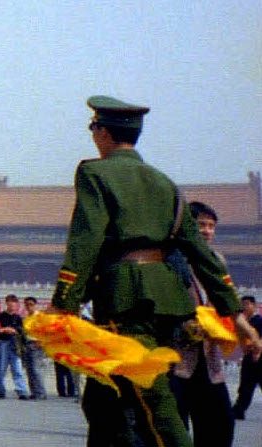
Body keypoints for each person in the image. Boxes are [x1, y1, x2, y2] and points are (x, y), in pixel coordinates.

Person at [50, 95, 262, 447]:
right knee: (103, 397)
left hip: (126, 299)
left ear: (102, 132)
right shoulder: (163, 181)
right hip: (169, 301)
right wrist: (235, 315)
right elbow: (201, 254)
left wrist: (64, 303)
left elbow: (84, 241)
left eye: (94, 128)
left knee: (154, 401)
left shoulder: (94, 173)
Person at [169, 201, 235, 446]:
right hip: (176, 358)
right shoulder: (169, 260)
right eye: (201, 225)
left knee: (221, 423)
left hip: (209, 359)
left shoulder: (217, 260)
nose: (207, 231)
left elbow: (227, 301)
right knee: (176, 428)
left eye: (211, 226)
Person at [231, 295, 262, 420]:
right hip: (249, 358)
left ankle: (238, 409)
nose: (244, 306)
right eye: (243, 304)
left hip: (259, 358)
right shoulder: (244, 323)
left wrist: (258, 352)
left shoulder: (259, 321)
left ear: (254, 306)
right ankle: (239, 410)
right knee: (245, 386)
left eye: (247, 304)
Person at [0, 294, 30, 399]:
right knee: (1, 368)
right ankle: (0, 390)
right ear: (6, 303)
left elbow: (22, 331)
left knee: (17, 369)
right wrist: (4, 329)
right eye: (9, 302)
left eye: (14, 302)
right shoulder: (0, 316)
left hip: (15, 345)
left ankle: (22, 391)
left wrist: (14, 330)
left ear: (16, 305)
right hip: (3, 343)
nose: (11, 304)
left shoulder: (18, 317)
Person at [21, 296, 47, 400]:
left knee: (36, 370)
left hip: (37, 344)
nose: (28, 307)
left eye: (31, 304)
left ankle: (41, 392)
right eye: (26, 305)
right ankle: (34, 392)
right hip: (28, 344)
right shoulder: (27, 318)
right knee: (30, 370)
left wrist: (42, 342)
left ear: (35, 305)